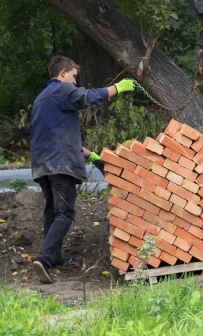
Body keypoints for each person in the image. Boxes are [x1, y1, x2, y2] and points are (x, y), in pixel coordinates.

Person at [30, 55, 135, 284]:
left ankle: (55, 255)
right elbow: (86, 97)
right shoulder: (62, 89)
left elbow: (55, 136)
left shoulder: (41, 99)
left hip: (42, 164)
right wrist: (117, 88)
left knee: (51, 212)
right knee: (65, 214)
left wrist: (91, 155)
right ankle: (44, 259)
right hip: (61, 164)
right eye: (74, 77)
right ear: (63, 72)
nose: (75, 82)